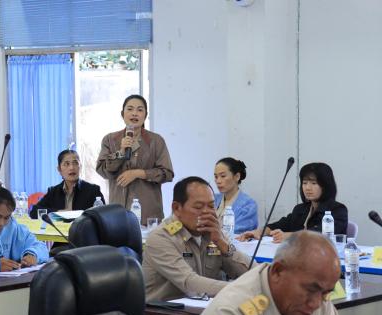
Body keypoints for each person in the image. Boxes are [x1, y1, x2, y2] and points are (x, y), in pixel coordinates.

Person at [181, 231, 359, 315]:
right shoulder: (232, 313)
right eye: (310, 289)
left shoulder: (320, 299)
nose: (316, 303)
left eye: (326, 293)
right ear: (278, 272)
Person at [142, 177, 250, 301]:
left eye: (211, 206)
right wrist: (240, 290)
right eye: (198, 207)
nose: (206, 213)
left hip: (204, 309)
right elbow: (190, 283)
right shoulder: (160, 238)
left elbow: (252, 273)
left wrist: (222, 244)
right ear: (176, 208)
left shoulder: (214, 233)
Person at [96, 94, 174, 225]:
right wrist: (121, 152)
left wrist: (138, 173)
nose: (135, 113)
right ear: (122, 114)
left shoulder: (156, 141)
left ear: (145, 115)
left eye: (140, 110)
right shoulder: (110, 140)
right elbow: (102, 170)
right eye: (130, 109)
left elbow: (167, 173)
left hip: (148, 214)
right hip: (117, 212)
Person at [238, 162, 348, 243]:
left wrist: (288, 236)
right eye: (305, 183)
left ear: (326, 185)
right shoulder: (301, 209)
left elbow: (319, 234)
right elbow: (280, 225)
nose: (307, 188)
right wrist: (259, 232)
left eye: (314, 183)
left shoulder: (338, 210)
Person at [29, 150, 105, 219]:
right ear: (59, 169)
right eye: (66, 164)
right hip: (59, 233)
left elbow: (103, 215)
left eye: (75, 163)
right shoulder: (53, 192)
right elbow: (34, 212)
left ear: (80, 167)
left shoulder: (93, 190)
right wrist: (58, 212)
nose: (71, 167)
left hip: (83, 232)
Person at [214, 157, 258, 233]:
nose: (218, 181)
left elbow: (237, 231)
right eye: (216, 177)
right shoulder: (213, 199)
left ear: (237, 176)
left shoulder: (249, 205)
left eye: (223, 176)